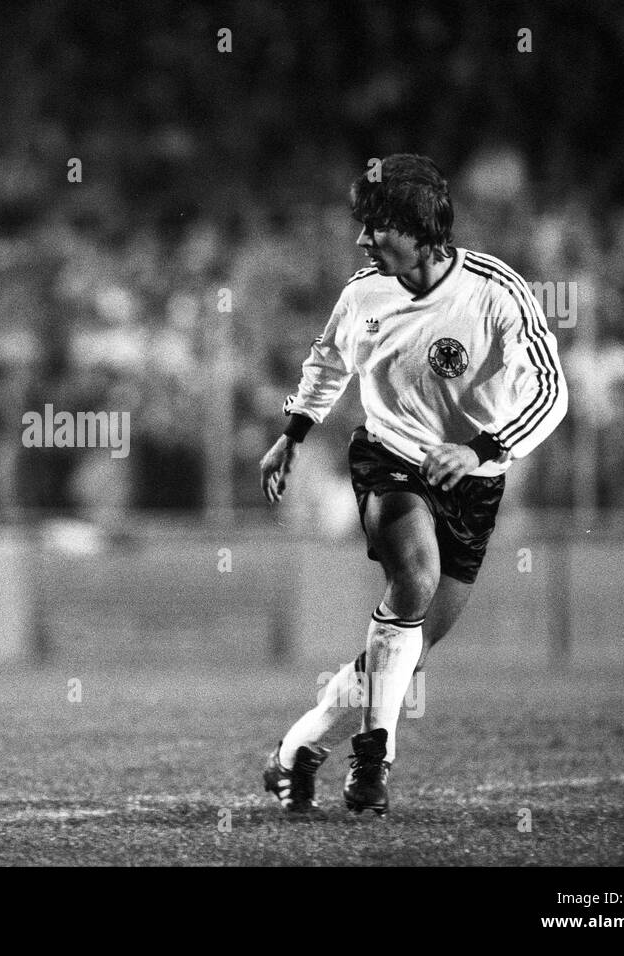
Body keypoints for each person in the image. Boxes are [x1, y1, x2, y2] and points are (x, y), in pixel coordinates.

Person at [259, 154, 567, 815]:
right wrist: (292, 433)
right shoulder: (364, 295)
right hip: (388, 461)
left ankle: (298, 748)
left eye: (375, 227)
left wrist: (483, 449)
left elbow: (551, 391)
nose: (363, 241)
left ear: (419, 225)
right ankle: (373, 763)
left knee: (411, 650)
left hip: (476, 479)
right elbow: (325, 366)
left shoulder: (496, 290)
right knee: (415, 579)